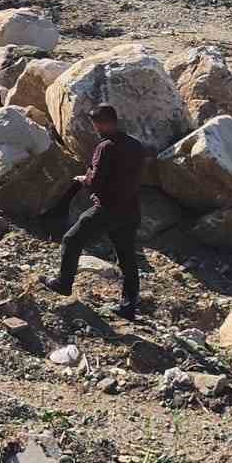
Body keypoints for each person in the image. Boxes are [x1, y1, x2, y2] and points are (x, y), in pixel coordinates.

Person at [46, 104, 146, 320]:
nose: (96, 129)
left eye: (97, 124)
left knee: (72, 240)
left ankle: (63, 284)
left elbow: (96, 181)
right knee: (127, 257)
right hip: (131, 210)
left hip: (107, 209)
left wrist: (85, 179)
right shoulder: (136, 145)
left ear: (105, 123)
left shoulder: (106, 148)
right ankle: (129, 306)